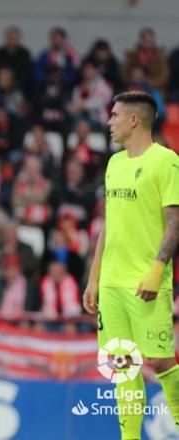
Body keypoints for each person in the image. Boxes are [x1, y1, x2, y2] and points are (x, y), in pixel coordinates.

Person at [83, 91, 179, 439]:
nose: (109, 122)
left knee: (162, 361)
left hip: (146, 284)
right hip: (111, 285)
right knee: (122, 366)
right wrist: (94, 278)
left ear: (134, 120)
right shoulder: (114, 163)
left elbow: (174, 222)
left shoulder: (165, 161)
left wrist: (157, 270)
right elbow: (110, 224)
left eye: (114, 115)